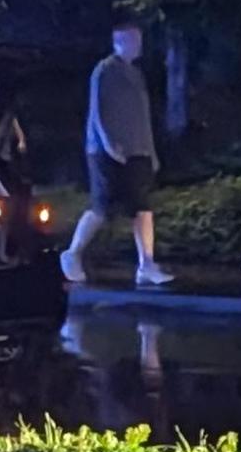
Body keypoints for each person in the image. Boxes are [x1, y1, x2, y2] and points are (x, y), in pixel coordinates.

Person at [69, 22, 173, 289]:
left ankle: (146, 264)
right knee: (102, 207)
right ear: (121, 41)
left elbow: (142, 116)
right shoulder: (105, 70)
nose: (139, 45)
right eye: (134, 40)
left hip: (138, 149)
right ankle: (72, 253)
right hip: (107, 151)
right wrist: (108, 144)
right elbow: (98, 111)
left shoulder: (136, 74)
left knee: (143, 207)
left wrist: (150, 151)